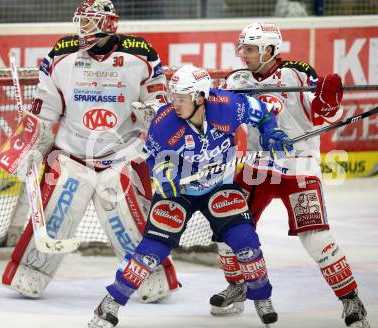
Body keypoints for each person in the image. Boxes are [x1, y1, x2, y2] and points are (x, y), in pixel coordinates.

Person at [0, 0, 179, 303]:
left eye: (90, 22)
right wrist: (30, 145)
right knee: (57, 209)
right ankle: (30, 272)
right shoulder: (62, 53)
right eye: (81, 21)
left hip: (123, 152)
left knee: (128, 217)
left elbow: (160, 101)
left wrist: (153, 113)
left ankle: (151, 277)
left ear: (109, 24)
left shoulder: (141, 54)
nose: (83, 28)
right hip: (71, 152)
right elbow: (46, 110)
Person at [88, 64, 294, 328]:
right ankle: (111, 303)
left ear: (200, 97)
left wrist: (271, 132)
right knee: (151, 252)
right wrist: (165, 177)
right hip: (179, 192)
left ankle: (262, 298)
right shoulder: (164, 122)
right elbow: (153, 159)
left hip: (218, 185)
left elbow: (263, 113)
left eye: (182, 97)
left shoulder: (228, 106)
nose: (175, 102)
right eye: (174, 95)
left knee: (245, 242)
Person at [209, 22, 370, 328]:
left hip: (299, 166)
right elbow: (220, 114)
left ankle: (351, 299)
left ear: (270, 50)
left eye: (251, 49)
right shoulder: (237, 79)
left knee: (316, 238)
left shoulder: (298, 73)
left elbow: (325, 115)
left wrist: (329, 102)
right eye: (242, 48)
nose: (244, 54)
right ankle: (239, 285)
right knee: (225, 224)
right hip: (258, 165)